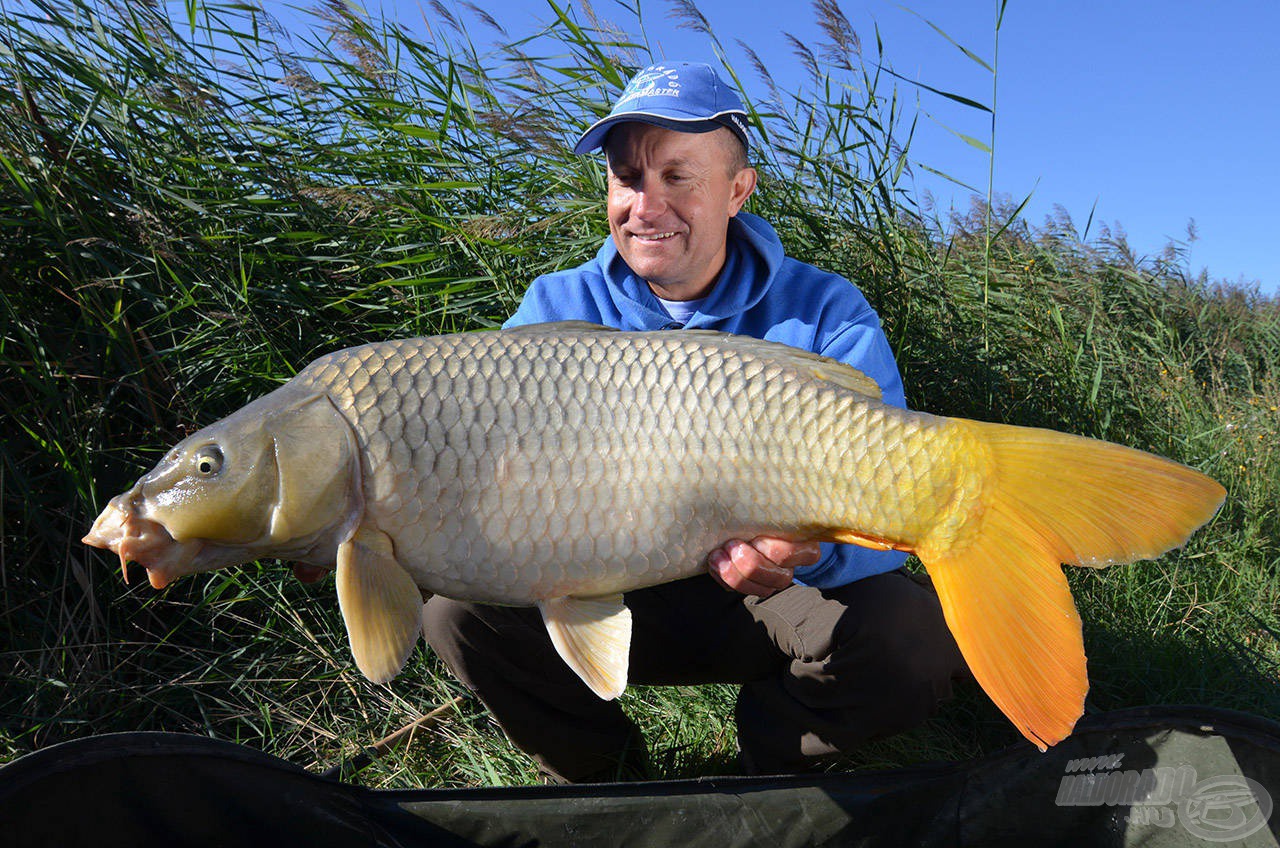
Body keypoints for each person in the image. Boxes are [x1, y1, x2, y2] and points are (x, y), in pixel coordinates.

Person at [423, 61, 966, 782]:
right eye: (627, 177)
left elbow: (891, 517)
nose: (646, 206)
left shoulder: (827, 312)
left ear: (738, 191)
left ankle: (768, 768)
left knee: (912, 638)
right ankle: (607, 783)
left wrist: (801, 557)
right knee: (456, 614)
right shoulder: (553, 310)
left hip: (773, 601)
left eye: (678, 177)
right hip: (611, 596)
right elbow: (476, 470)